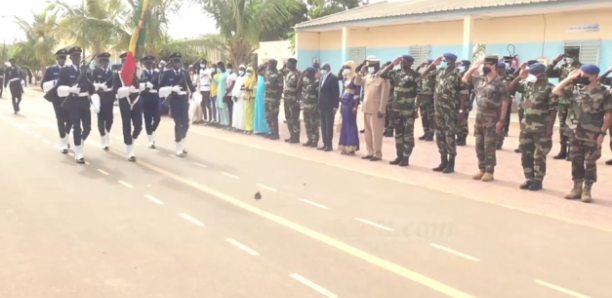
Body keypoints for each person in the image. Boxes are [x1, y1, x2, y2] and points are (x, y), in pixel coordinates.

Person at [553, 64, 612, 203]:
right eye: (581, 75)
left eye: (585, 76)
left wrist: (603, 133)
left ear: (594, 76)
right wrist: (569, 78)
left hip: (593, 133)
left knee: (590, 162)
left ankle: (587, 190)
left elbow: (609, 115)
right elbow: (556, 91)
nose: (582, 78)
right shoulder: (576, 90)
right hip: (575, 132)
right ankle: (576, 187)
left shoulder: (604, 93)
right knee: (576, 161)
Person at [508, 63, 557, 191]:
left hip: (541, 127)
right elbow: (510, 88)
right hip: (526, 126)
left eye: (532, 73)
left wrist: (550, 128)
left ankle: (538, 180)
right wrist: (519, 77)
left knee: (539, 155)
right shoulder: (527, 85)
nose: (530, 76)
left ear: (541, 75)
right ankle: (529, 178)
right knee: (526, 153)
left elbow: (553, 110)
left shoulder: (549, 88)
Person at [462, 56, 511, 181]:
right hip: (479, 116)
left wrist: (501, 120)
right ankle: (482, 168)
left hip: (492, 117)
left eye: (487, 65)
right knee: (479, 144)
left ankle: (489, 171)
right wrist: (474, 68)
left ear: (494, 66)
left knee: (489, 145)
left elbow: (505, 102)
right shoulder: (480, 79)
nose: (485, 67)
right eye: (484, 64)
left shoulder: (500, 82)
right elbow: (464, 78)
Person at [423, 53, 466, 173]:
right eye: (443, 60)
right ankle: (443, 161)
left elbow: (464, 93)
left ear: (452, 61)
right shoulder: (440, 72)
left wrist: (461, 110)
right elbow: (422, 76)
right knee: (440, 136)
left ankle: (451, 164)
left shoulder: (458, 73)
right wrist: (432, 65)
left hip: (451, 110)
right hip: (438, 109)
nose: (444, 62)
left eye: (446, 60)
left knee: (450, 136)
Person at [379, 55, 421, 166]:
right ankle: (399, 156)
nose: (403, 63)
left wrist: (416, 108)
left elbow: (420, 93)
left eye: (406, 62)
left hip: (408, 110)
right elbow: (381, 74)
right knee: (398, 134)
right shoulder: (396, 73)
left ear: (411, 63)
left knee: (407, 134)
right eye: (402, 62)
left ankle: (406, 157)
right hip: (396, 109)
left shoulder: (415, 75)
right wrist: (392, 64)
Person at [55, 47, 94, 164]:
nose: (77, 58)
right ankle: (78, 153)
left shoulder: (86, 70)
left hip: (84, 101)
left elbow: (91, 87)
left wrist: (87, 79)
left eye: (78, 56)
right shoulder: (65, 71)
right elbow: (59, 88)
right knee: (76, 128)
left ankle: (80, 142)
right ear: (71, 58)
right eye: (74, 56)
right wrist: (70, 89)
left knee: (87, 128)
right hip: (73, 102)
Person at [547, 47, 582, 161]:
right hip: (562, 101)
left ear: (576, 56)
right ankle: (562, 150)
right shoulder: (562, 68)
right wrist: (555, 61)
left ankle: (572, 152)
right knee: (562, 126)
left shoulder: (581, 68)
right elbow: (546, 73)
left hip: (575, 101)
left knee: (572, 126)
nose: (567, 58)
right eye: (566, 56)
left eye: (569, 56)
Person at [354, 56, 391, 161]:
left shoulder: (383, 78)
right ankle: (369, 151)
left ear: (376, 66)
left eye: (370, 66)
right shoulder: (368, 76)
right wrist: (361, 72)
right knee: (368, 133)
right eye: (368, 66)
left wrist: (382, 109)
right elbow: (356, 82)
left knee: (377, 133)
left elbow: (385, 94)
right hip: (367, 108)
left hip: (376, 109)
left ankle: (377, 153)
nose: (368, 68)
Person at [159, 52, 196, 157]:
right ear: (171, 62)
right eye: (175, 61)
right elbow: (160, 89)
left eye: (179, 61)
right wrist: (171, 89)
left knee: (186, 124)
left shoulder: (185, 73)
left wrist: (196, 94)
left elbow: (190, 85)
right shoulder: (167, 74)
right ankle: (178, 148)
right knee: (178, 123)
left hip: (183, 100)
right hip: (174, 100)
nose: (177, 63)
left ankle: (181, 144)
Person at [113, 52, 143, 161]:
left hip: (135, 101)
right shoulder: (118, 75)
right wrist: (127, 90)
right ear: (123, 63)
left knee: (139, 126)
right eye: (126, 62)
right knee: (126, 125)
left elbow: (141, 84)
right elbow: (116, 91)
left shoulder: (135, 74)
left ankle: (131, 139)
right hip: (124, 101)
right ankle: (130, 150)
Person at [41, 48, 71, 154]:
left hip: (68, 98)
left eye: (64, 57)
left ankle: (66, 137)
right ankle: (63, 142)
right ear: (57, 58)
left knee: (70, 120)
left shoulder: (69, 69)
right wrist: (54, 82)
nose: (62, 59)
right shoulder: (51, 70)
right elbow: (43, 85)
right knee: (60, 119)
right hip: (57, 98)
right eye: (60, 57)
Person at [514, 60, 541, 153]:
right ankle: (522, 144)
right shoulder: (526, 77)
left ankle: (532, 145)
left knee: (533, 127)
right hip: (523, 105)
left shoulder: (535, 79)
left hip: (534, 108)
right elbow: (514, 84)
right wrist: (520, 71)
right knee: (523, 126)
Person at [91, 52, 115, 150]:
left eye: (107, 61)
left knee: (110, 118)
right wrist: (98, 87)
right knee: (101, 118)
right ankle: (103, 139)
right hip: (100, 96)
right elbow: (91, 84)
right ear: (100, 62)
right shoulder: (95, 71)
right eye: (104, 61)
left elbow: (114, 84)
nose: (105, 63)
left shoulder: (111, 73)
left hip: (109, 96)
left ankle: (107, 131)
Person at [338, 61, 361, 155]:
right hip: (344, 102)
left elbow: (357, 93)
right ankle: (344, 145)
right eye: (345, 67)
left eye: (348, 67)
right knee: (344, 124)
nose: (346, 69)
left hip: (351, 103)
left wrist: (355, 107)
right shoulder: (345, 78)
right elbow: (343, 90)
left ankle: (351, 147)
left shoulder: (356, 78)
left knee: (351, 125)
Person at [318, 63, 340, 151]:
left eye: (322, 68)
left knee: (329, 126)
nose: (321, 70)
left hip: (329, 106)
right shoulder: (322, 78)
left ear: (327, 68)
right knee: (323, 126)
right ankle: (324, 143)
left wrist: (335, 106)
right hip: (322, 105)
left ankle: (329, 145)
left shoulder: (333, 78)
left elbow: (336, 93)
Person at [140, 55, 161, 148]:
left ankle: (151, 131)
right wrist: (145, 85)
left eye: (150, 63)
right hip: (145, 97)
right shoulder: (141, 73)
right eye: (146, 63)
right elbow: (138, 84)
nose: (148, 64)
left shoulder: (157, 73)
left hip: (155, 97)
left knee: (157, 118)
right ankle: (150, 140)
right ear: (144, 64)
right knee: (148, 120)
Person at [494, 61, 515, 150]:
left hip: (505, 101)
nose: (498, 70)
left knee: (503, 119)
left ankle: (499, 141)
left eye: (500, 68)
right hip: (494, 102)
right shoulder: (493, 77)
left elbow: (510, 87)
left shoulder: (508, 77)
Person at [281, 58, 301, 143]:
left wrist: (298, 101)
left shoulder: (298, 74)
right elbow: (280, 71)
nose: (288, 65)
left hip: (294, 100)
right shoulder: (287, 73)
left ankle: (296, 137)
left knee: (294, 119)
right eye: (287, 63)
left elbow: (300, 89)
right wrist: (284, 66)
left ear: (293, 64)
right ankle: (291, 135)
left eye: (289, 63)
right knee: (288, 118)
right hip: (286, 99)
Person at [298, 67, 320, 146]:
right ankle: (310, 139)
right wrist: (301, 75)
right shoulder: (305, 80)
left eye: (307, 72)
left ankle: (315, 141)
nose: (305, 73)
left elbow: (319, 96)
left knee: (314, 124)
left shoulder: (317, 82)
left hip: (313, 106)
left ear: (311, 73)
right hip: (306, 106)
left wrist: (316, 107)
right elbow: (298, 86)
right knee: (307, 124)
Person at [264, 59, 284, 140]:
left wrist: (278, 99)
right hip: (267, 98)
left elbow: (280, 87)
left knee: (274, 116)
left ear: (274, 65)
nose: (269, 65)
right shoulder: (267, 72)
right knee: (267, 116)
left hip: (274, 99)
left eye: (270, 64)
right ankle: (271, 132)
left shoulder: (278, 74)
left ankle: (276, 134)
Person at [418, 59, 436, 141]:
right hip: (422, 98)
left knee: (430, 117)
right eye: (427, 64)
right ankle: (425, 132)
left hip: (430, 98)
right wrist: (419, 66)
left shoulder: (435, 73)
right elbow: (416, 76)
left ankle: (431, 133)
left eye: (429, 64)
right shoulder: (424, 74)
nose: (427, 66)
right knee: (424, 116)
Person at [456, 60, 472, 146]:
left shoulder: (470, 76)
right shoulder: (459, 74)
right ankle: (458, 136)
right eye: (462, 64)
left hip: (465, 101)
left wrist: (471, 102)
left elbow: (472, 91)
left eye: (464, 65)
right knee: (458, 119)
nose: (462, 66)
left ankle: (463, 138)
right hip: (458, 100)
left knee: (463, 120)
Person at [254, 64, 270, 135]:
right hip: (259, 99)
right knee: (259, 113)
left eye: (261, 71)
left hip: (264, 98)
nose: (259, 73)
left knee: (264, 114)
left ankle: (265, 130)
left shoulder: (267, 78)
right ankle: (260, 129)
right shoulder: (261, 78)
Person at [242, 66, 257, 134]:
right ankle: (247, 127)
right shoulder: (245, 80)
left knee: (251, 113)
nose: (248, 73)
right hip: (245, 97)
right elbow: (242, 88)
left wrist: (252, 95)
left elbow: (253, 89)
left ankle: (250, 128)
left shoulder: (254, 80)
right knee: (246, 112)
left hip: (251, 98)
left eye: (249, 72)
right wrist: (245, 89)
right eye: (247, 71)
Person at [231, 64, 246, 131]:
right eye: (240, 69)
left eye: (242, 69)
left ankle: (241, 127)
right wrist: (234, 95)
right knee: (236, 112)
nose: (240, 71)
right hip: (235, 98)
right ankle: (236, 126)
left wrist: (238, 96)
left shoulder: (245, 78)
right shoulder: (238, 78)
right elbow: (234, 87)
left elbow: (242, 89)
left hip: (241, 98)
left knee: (241, 112)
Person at [198, 59, 213, 124]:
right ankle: (205, 118)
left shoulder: (208, 71)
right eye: (201, 63)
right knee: (202, 103)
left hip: (207, 88)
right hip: (202, 88)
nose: (202, 64)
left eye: (203, 63)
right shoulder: (200, 70)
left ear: (205, 64)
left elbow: (210, 79)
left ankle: (210, 119)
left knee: (207, 104)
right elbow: (200, 79)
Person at [215, 62, 230, 127]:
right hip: (218, 93)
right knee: (219, 107)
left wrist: (225, 93)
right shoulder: (220, 74)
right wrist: (212, 79)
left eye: (218, 67)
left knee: (224, 108)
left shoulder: (226, 74)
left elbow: (227, 84)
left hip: (223, 93)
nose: (217, 68)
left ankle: (227, 122)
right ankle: (222, 121)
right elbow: (217, 83)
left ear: (221, 67)